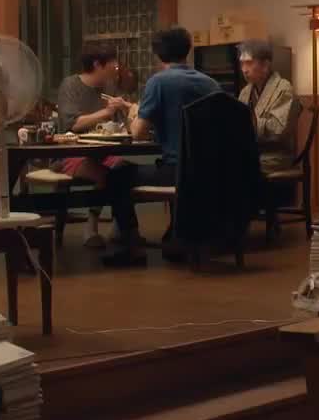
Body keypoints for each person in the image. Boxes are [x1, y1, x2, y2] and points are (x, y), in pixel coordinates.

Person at [102, 27, 221, 267]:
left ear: (157, 54)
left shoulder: (158, 82)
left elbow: (138, 132)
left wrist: (134, 113)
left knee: (117, 174)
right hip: (210, 171)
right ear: (187, 50)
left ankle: (132, 246)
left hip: (176, 170)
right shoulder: (210, 83)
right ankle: (179, 238)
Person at [54, 48, 131, 247]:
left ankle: (121, 226)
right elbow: (73, 124)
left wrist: (125, 109)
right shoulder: (71, 85)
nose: (116, 69)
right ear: (97, 65)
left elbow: (121, 125)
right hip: (71, 152)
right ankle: (91, 226)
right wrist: (106, 112)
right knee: (105, 174)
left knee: (124, 169)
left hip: (103, 151)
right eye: (113, 65)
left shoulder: (109, 87)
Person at [236, 39, 300, 174]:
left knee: (238, 167)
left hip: (276, 155)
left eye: (249, 63)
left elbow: (279, 130)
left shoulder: (283, 89)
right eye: (242, 63)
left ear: (265, 65)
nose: (244, 70)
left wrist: (249, 123)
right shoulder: (245, 92)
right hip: (252, 151)